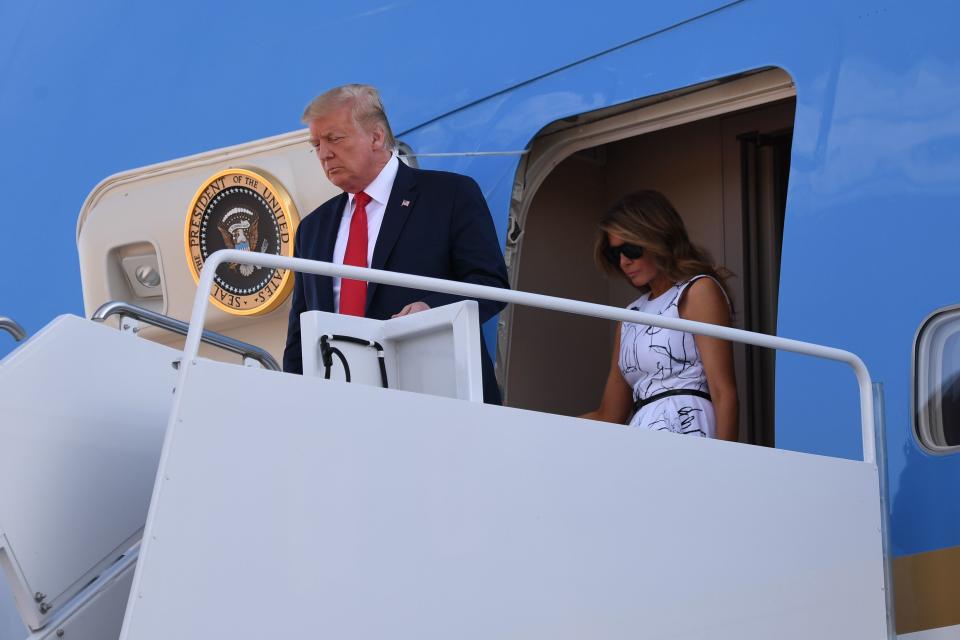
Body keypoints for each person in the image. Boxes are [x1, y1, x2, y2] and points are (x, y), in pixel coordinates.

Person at [283, 84, 509, 403]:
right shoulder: (312, 228)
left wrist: (430, 309)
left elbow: (490, 284)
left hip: (435, 396)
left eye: (334, 138)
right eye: (316, 144)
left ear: (376, 137)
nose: (324, 153)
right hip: (338, 405)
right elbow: (299, 334)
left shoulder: (450, 196)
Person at [581, 191, 738, 440]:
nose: (623, 262)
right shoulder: (630, 315)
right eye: (614, 254)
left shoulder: (697, 290)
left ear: (658, 238)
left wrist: (726, 467)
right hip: (643, 433)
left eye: (631, 249)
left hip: (689, 426)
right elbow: (609, 415)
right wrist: (538, 424)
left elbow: (724, 391)